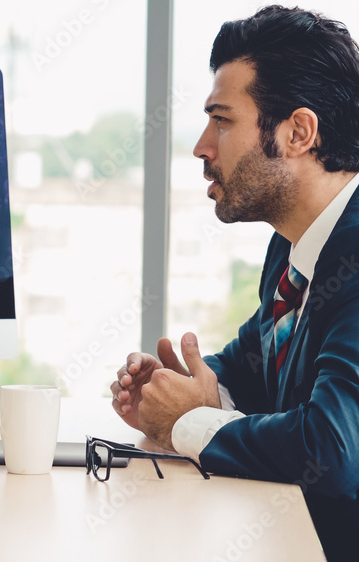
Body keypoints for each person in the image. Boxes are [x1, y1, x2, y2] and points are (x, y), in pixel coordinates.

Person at [111, 6, 359, 558]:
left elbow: (334, 448)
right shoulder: (296, 244)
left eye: (222, 120)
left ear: (299, 132)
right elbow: (251, 365)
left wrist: (192, 422)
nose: (202, 147)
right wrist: (174, 389)